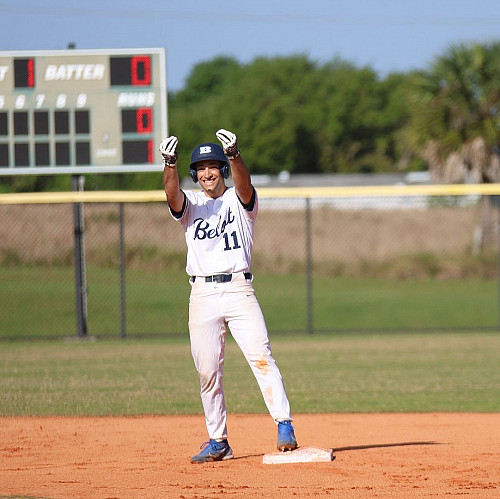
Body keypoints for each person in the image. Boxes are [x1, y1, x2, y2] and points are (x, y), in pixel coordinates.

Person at [159, 129, 298, 463]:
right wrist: (169, 164)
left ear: (222, 169)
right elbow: (170, 192)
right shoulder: (191, 206)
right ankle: (218, 440)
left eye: (214, 165)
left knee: (261, 357)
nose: (208, 172)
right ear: (194, 174)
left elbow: (245, 185)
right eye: (201, 167)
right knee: (208, 371)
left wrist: (234, 154)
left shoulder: (240, 200)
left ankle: (284, 424)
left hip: (239, 289)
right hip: (202, 294)